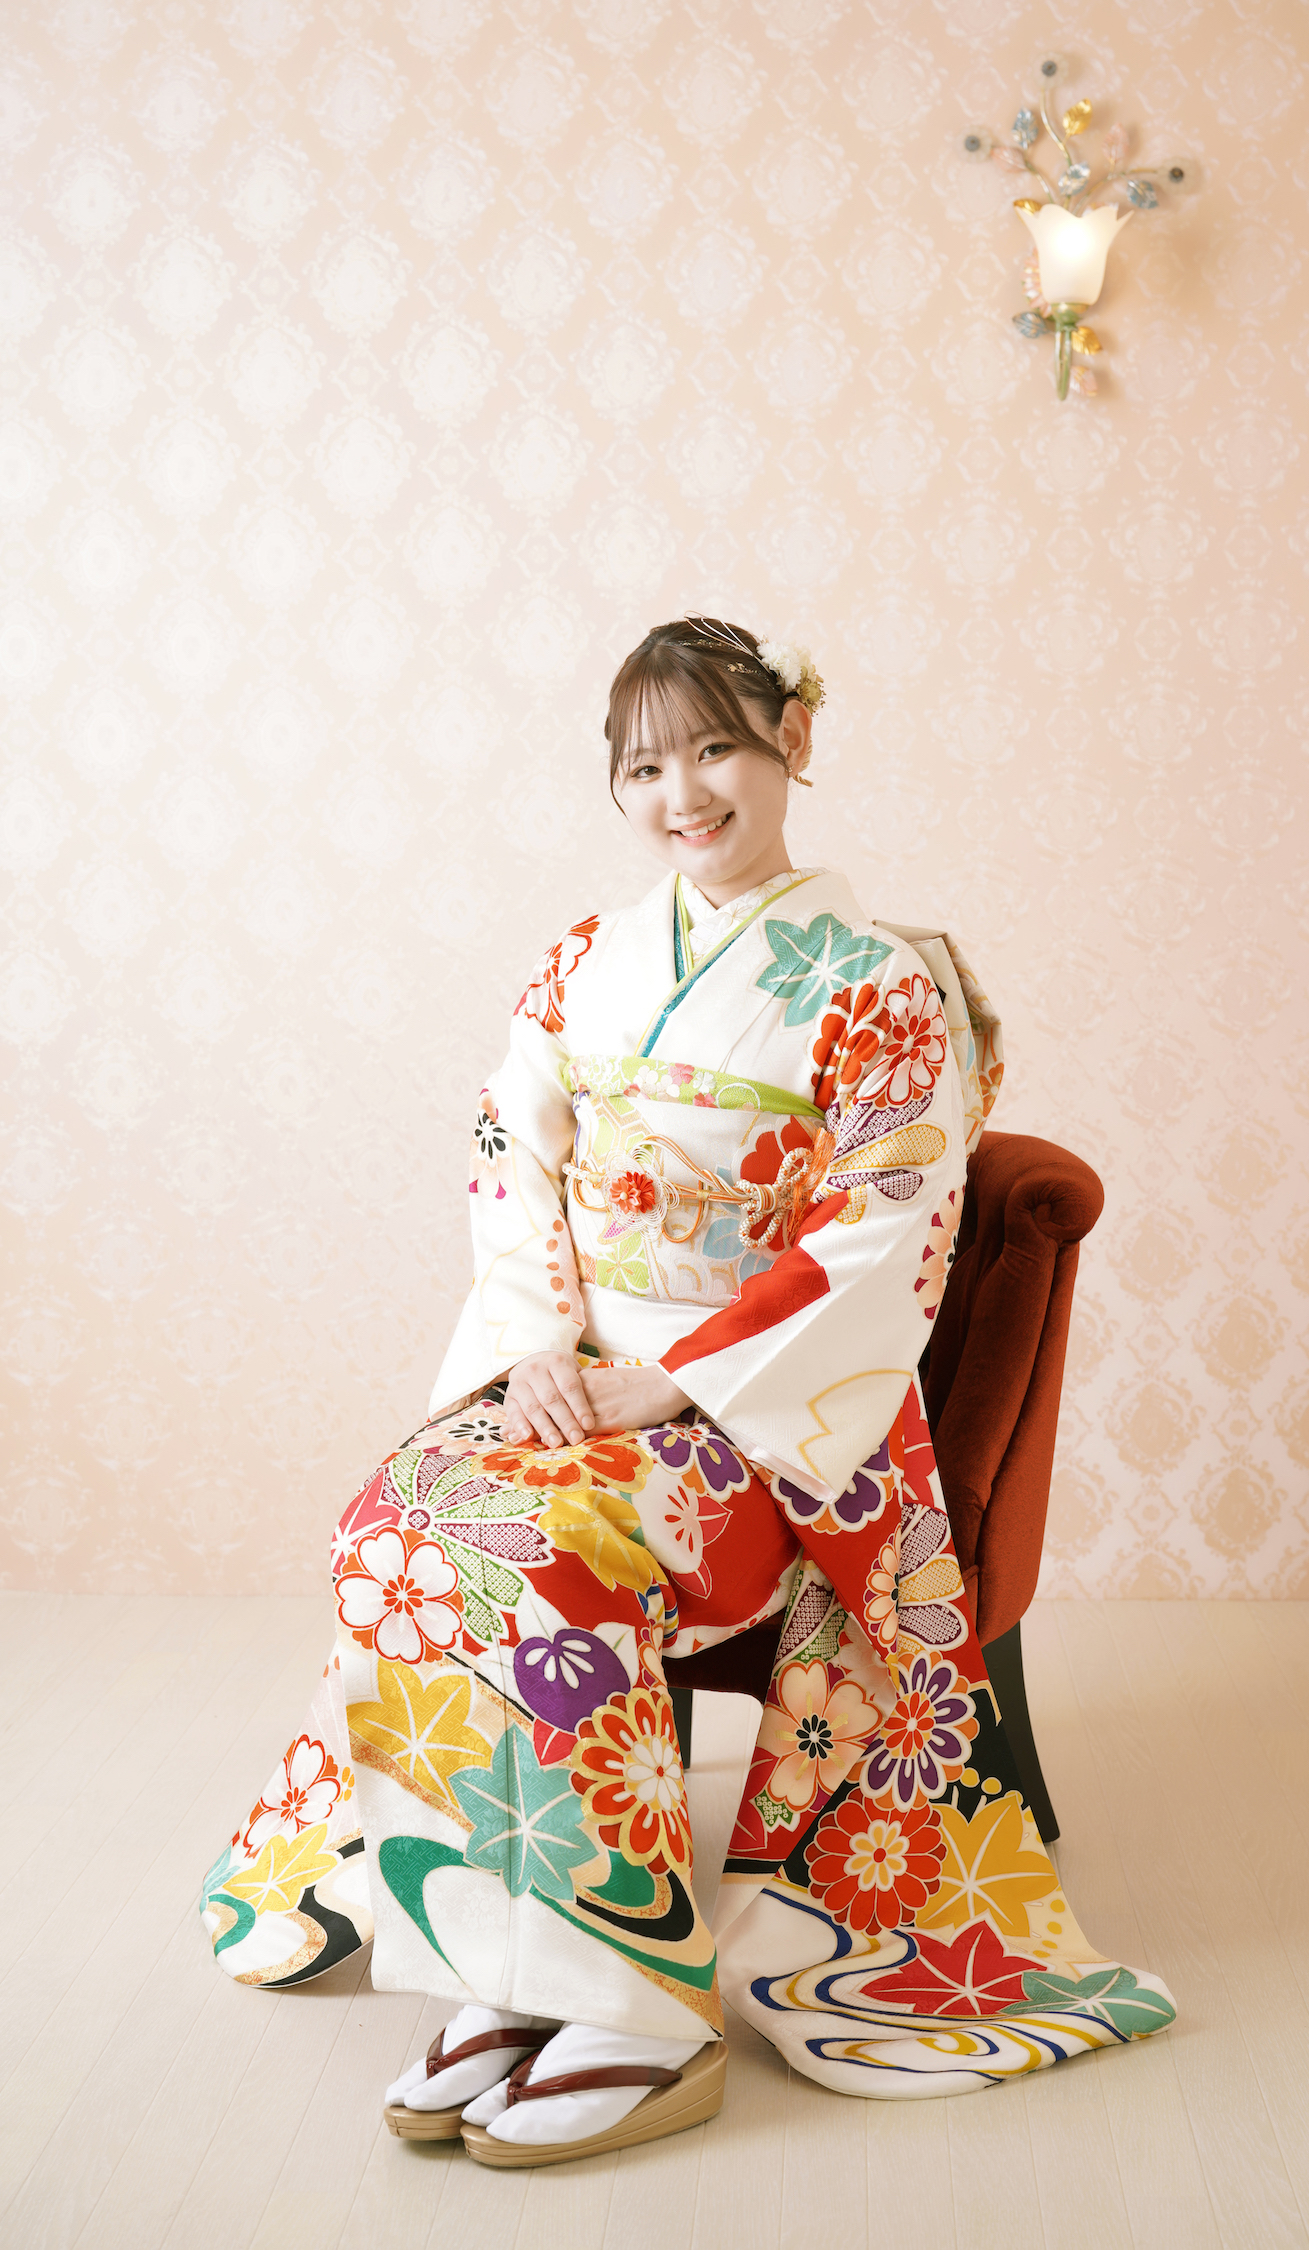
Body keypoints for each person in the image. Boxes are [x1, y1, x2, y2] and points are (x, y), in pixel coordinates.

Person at [199, 617, 1175, 2169]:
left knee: (544, 1552)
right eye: (646, 766)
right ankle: (502, 1967)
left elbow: (887, 1227)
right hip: (574, 1379)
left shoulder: (882, 985)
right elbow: (512, 1153)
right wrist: (537, 1344)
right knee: (398, 1523)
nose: (684, 793)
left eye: (716, 747)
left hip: (770, 1414)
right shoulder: (585, 959)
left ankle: (640, 2015)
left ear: (794, 738)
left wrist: (678, 1380)